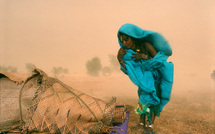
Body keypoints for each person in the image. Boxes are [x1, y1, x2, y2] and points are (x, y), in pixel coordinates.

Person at [117, 23, 174, 133]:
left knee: (152, 100)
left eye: (126, 39)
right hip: (143, 80)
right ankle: (141, 124)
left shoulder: (145, 45)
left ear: (132, 37)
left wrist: (143, 57)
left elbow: (159, 60)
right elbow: (129, 70)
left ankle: (150, 126)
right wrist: (119, 58)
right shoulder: (127, 52)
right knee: (141, 100)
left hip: (155, 77)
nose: (124, 43)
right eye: (122, 41)